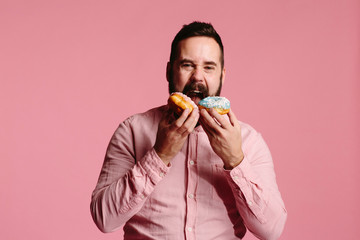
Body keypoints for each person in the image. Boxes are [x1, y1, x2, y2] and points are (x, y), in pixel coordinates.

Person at [90, 21, 287, 240]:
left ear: (222, 75)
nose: (198, 77)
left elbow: (272, 230)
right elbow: (104, 219)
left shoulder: (249, 141)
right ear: (169, 71)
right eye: (187, 65)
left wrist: (235, 159)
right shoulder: (132, 131)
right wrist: (159, 155)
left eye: (209, 67)